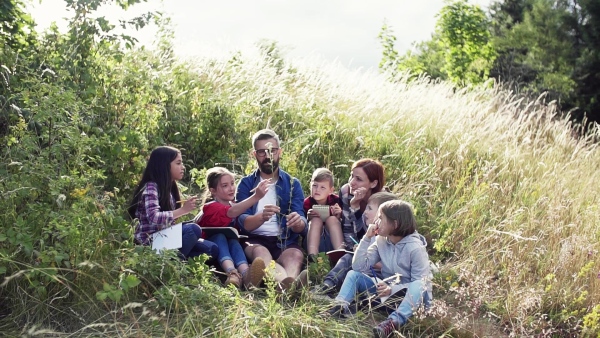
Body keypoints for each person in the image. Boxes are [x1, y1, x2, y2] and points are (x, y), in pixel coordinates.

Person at [324, 200, 433, 338]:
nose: (376, 221)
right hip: (385, 294)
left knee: (419, 283)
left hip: (408, 299)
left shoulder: (415, 248)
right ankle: (338, 306)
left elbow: (422, 283)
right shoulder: (381, 240)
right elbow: (359, 266)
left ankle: (393, 322)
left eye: (381, 218)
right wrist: (367, 238)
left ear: (395, 224)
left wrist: (392, 288)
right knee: (353, 274)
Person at [236, 129, 308, 290]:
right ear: (254, 154)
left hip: (285, 240)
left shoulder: (292, 183)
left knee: (296, 255)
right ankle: (287, 286)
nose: (268, 156)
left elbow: (302, 222)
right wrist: (261, 217)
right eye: (262, 152)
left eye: (272, 151)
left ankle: (285, 284)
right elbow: (242, 223)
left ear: (279, 152)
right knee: (261, 254)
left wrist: (298, 223)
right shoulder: (246, 183)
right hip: (254, 240)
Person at [128, 146, 219, 261]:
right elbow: (153, 217)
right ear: (164, 165)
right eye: (178, 163)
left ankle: (174, 261)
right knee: (192, 230)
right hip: (149, 242)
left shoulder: (170, 188)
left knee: (212, 249)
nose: (183, 167)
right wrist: (183, 210)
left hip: (164, 238)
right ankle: (171, 264)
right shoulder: (151, 187)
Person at [310, 191, 398, 297]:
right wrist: (360, 251)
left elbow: (390, 268)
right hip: (365, 273)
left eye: (369, 209)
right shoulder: (373, 234)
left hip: (379, 280)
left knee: (348, 259)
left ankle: (329, 288)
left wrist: (365, 258)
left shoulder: (392, 240)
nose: (365, 212)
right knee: (348, 259)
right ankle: (327, 285)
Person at [197, 167, 271, 289]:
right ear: (213, 190)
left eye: (232, 183)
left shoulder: (235, 204)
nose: (231, 188)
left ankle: (246, 274)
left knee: (234, 241)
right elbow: (231, 212)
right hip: (210, 248)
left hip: (230, 247)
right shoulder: (210, 206)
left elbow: (237, 211)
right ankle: (232, 273)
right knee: (220, 236)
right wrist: (256, 196)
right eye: (225, 186)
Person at [340, 158, 385, 250]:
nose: (352, 182)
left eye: (359, 179)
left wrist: (355, 208)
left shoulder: (382, 201)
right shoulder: (346, 192)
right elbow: (347, 229)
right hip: (354, 247)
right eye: (351, 176)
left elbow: (376, 235)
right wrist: (351, 250)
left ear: (373, 184)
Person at [304, 168, 343, 261]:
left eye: (322, 187)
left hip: (332, 241)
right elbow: (303, 229)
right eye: (314, 185)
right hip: (314, 242)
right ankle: (312, 258)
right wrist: (308, 218)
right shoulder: (307, 203)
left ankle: (341, 254)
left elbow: (344, 223)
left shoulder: (336, 201)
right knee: (316, 220)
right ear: (310, 185)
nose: (317, 190)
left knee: (332, 219)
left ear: (331, 190)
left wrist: (339, 216)